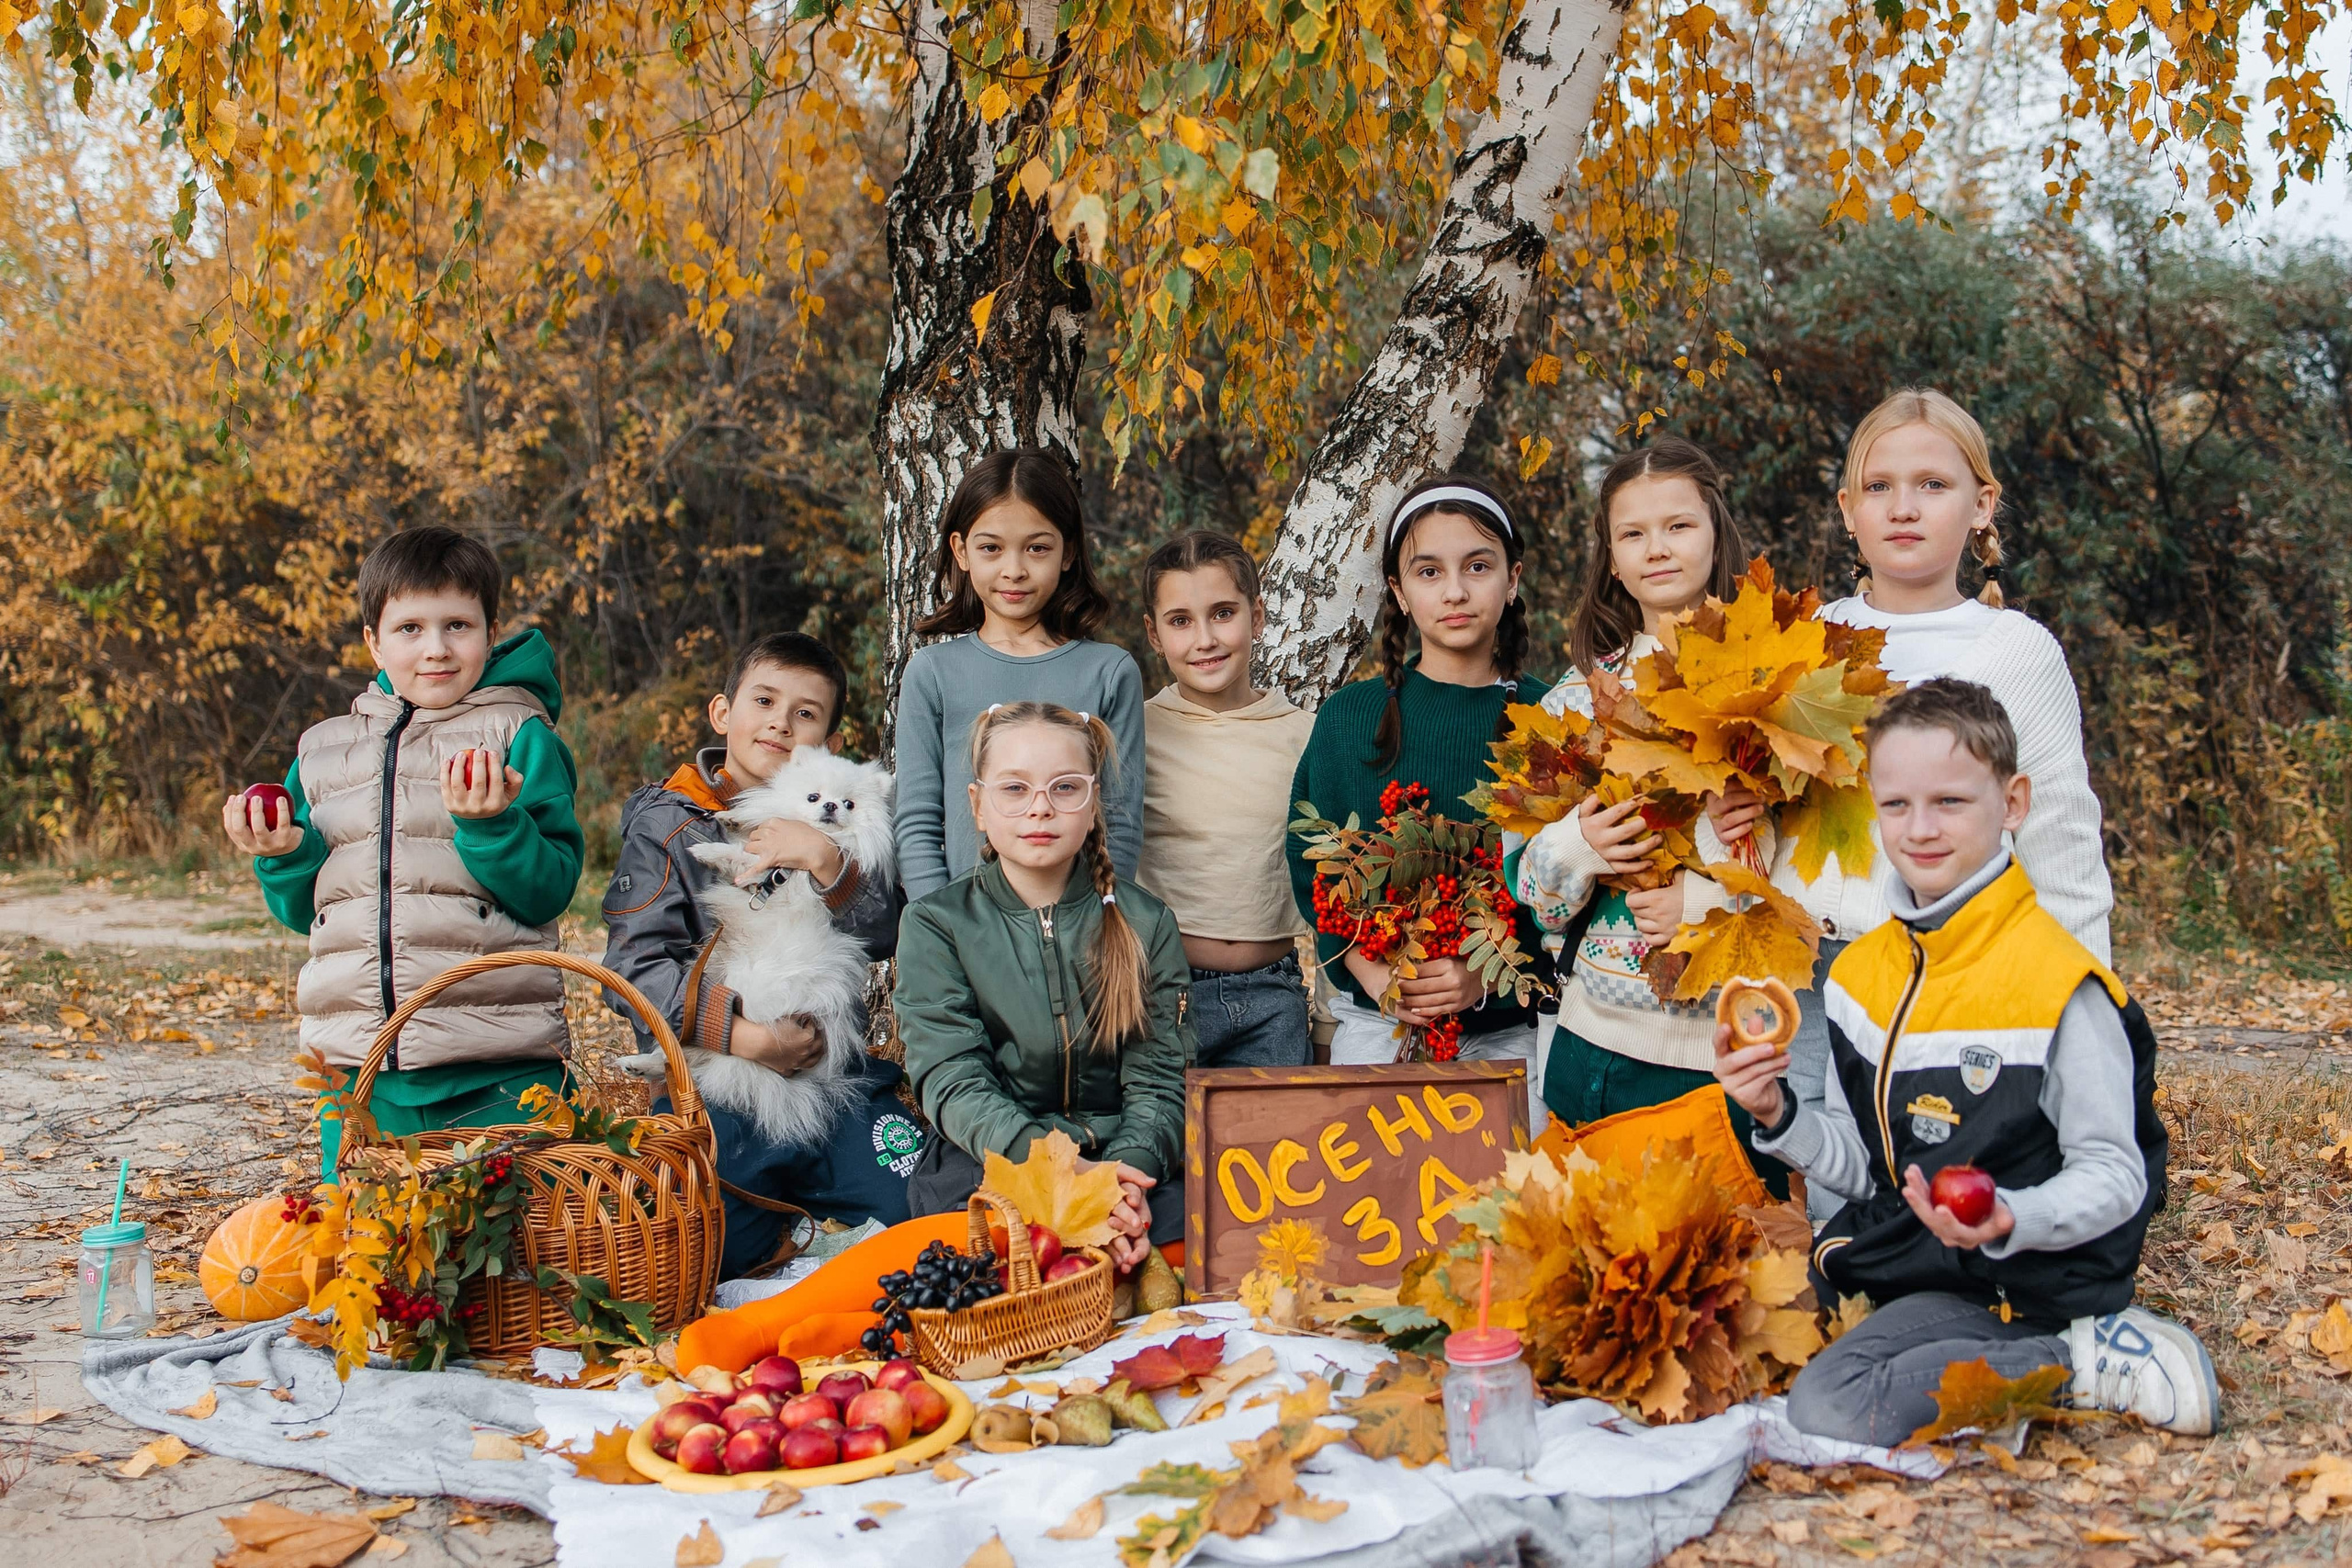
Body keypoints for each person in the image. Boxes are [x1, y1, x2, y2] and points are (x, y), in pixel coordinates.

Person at [1715, 678, 2213, 1445]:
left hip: (2038, 1285)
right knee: (1777, 1361)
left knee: (1833, 1405)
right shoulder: (1858, 978)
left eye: (1951, 801)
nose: (1920, 829)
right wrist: (1777, 1113)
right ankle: (2024, 1357)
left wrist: (2013, 1215)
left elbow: (2118, 1175)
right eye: (1896, 804)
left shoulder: (2059, 983)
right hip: (1931, 1272)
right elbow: (1868, 1168)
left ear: (2012, 802)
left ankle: (2086, 1357)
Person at [224, 527, 583, 1172]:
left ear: (490, 630)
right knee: (375, 1257)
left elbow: (549, 887)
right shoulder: (322, 751)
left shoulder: (519, 734)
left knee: (523, 1255)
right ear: (373, 640)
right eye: (410, 628)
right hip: (360, 1070)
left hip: (496, 1064)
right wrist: (282, 854)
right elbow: (312, 910)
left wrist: (493, 825)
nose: (437, 649)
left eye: (457, 625)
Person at [598, 632, 921, 1278]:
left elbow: (884, 930)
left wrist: (824, 856)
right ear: (723, 713)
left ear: (824, 742)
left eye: (804, 713)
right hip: (719, 1081)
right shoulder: (671, 822)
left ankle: (818, 1204)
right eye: (765, 699)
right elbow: (634, 969)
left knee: (915, 1198)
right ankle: (788, 1223)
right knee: (713, 1245)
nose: (779, 720)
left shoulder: (837, 817)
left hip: (828, 1079)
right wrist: (747, 1037)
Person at [1514, 440, 1786, 1178]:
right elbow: (1530, 898)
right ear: (1609, 555)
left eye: (1678, 526)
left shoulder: (1774, 686)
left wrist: (1701, 898)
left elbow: (1811, 870)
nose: (1656, 548)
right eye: (1632, 533)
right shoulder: (1572, 704)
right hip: (1588, 1042)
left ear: (1716, 532)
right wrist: (1578, 846)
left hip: (1719, 1055)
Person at [894, 703, 1193, 1266]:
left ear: (1094, 803)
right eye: (1014, 788)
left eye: (1064, 788)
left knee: (1196, 1228)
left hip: (1118, 1156)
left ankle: (1115, 1244)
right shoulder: (937, 924)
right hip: (996, 1153)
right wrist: (1058, 1175)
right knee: (972, 1248)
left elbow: (1160, 1079)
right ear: (978, 806)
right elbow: (952, 1076)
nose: (1039, 808)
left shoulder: (1146, 922)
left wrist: (1124, 1182)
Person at [1285, 475, 1550, 1089]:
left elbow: (1565, 885)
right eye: (1429, 572)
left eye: (1477, 566)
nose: (1454, 591)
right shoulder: (1352, 717)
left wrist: (1483, 976)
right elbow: (1314, 866)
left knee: (1512, 1185)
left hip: (1511, 1031)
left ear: (1512, 579)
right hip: (1382, 1021)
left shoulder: (1553, 718)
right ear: (1400, 592)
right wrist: (1377, 974)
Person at [894, 450, 1147, 901]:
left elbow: (1121, 822)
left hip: (1079, 936)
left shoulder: (1110, 673)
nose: (1014, 569)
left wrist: (1097, 921)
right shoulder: (932, 674)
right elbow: (916, 822)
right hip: (964, 938)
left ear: (1068, 552)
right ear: (961, 551)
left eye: (1037, 548)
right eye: (991, 548)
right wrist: (939, 929)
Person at [1135, 530, 1315, 1069]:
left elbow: (1334, 885)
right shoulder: (1134, 731)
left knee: (1275, 1150)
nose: (1204, 639)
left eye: (1222, 613)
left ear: (1257, 617)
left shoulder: (1306, 734)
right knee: (1166, 1152)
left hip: (1275, 998)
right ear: (1154, 633)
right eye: (1181, 621)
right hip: (1161, 995)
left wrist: (1327, 1023)